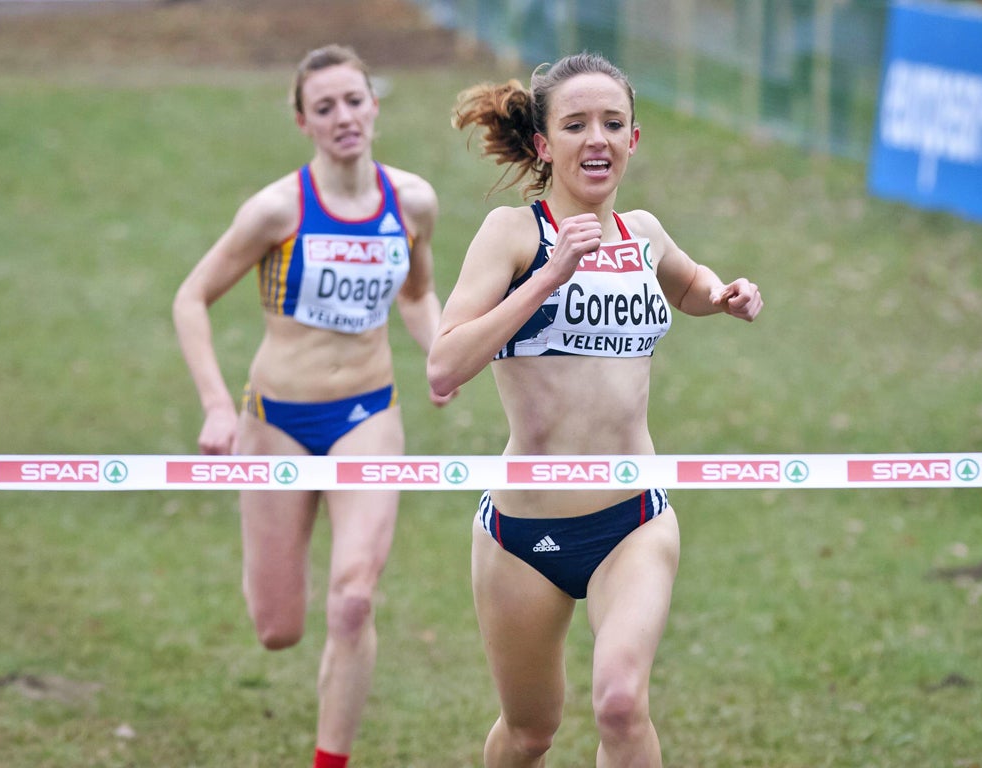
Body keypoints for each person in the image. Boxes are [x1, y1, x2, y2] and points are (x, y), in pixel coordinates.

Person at [427, 52, 762, 767]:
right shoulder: (514, 235)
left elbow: (689, 283)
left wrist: (724, 295)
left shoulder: (643, 232)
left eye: (613, 123)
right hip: (523, 533)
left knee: (619, 703)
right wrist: (550, 276)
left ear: (633, 139)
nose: (598, 139)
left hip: (631, 519)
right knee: (529, 732)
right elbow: (444, 364)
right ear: (546, 145)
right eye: (576, 125)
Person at [173, 44, 456, 768]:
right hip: (276, 423)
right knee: (278, 628)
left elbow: (418, 296)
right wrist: (215, 407)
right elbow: (191, 299)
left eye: (354, 101)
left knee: (354, 599)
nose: (343, 118)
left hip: (369, 416)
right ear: (303, 121)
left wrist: (444, 352)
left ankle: (331, 760)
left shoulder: (412, 202)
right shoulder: (277, 209)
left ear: (375, 106)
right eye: (324, 107)